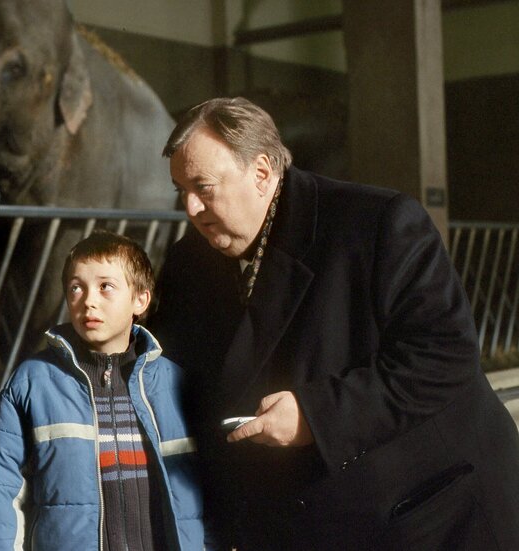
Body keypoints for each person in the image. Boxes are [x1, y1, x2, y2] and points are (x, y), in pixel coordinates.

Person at [149, 97, 519, 550]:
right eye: (180, 190)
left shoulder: (376, 225)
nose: (190, 208)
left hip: (430, 506)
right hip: (306, 520)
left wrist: (315, 415)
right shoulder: (190, 259)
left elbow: (444, 355)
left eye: (203, 187)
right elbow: (175, 368)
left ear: (262, 173)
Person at [0, 230, 209, 550]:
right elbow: (1, 489)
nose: (88, 300)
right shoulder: (33, 382)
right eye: (76, 287)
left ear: (140, 300)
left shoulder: (175, 384)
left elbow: (213, 488)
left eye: (106, 287)